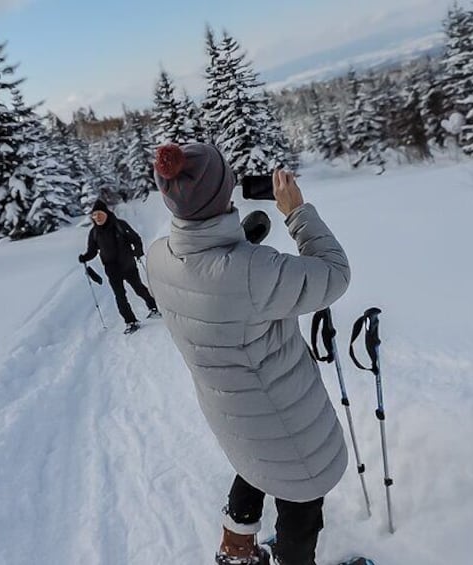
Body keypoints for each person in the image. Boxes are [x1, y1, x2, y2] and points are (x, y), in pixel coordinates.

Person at [146, 143, 351, 565]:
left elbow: (210, 279)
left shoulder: (157, 257)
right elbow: (333, 274)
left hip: (230, 414)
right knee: (301, 505)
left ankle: (236, 547)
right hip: (287, 421)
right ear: (224, 194)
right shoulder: (254, 272)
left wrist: (240, 246)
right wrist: (297, 211)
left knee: (254, 463)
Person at [78, 199, 159, 334]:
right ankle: (131, 321)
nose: (97, 217)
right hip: (112, 269)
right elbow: (92, 251)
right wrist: (85, 257)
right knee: (120, 296)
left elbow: (136, 238)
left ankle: (153, 307)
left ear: (106, 213)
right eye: (94, 215)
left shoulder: (120, 225)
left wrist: (138, 251)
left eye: (99, 214)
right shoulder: (94, 233)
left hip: (128, 265)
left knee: (139, 288)